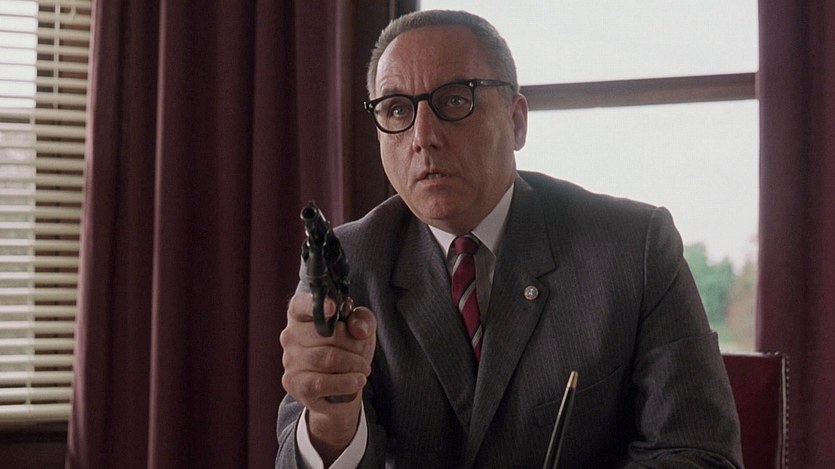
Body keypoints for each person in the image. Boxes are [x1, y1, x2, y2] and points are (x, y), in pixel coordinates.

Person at [277, 9, 743, 469]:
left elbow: (699, 454)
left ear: (517, 121)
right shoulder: (349, 263)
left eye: (454, 100)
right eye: (397, 109)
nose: (422, 136)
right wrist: (332, 421)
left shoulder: (634, 249)